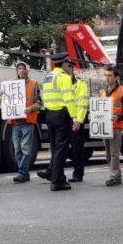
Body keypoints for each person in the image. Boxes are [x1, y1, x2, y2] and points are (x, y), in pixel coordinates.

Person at [40, 51, 77, 191]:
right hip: (61, 115)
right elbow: (69, 99)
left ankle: (57, 177)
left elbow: (44, 96)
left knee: (55, 148)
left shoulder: (48, 77)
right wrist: (75, 118)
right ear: (64, 62)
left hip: (49, 115)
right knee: (61, 149)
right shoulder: (64, 77)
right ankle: (57, 181)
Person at [100, 65, 123, 186]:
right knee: (109, 154)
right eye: (106, 75)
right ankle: (117, 176)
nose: (107, 78)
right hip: (105, 127)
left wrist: (118, 117)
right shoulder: (103, 92)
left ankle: (113, 176)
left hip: (116, 126)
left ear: (116, 77)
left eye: (110, 76)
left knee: (114, 153)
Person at [9, 61, 42, 183]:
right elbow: (8, 102)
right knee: (17, 149)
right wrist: (3, 94)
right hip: (16, 123)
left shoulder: (34, 84)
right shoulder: (12, 86)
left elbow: (40, 103)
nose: (21, 71)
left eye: (23, 69)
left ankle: (22, 173)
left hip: (28, 122)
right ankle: (25, 173)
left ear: (27, 71)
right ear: (17, 71)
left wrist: (31, 108)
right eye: (19, 69)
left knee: (25, 148)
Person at [70, 71, 90, 183]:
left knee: (77, 148)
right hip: (65, 119)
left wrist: (78, 120)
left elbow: (82, 104)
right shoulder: (63, 82)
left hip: (76, 120)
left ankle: (78, 173)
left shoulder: (80, 84)